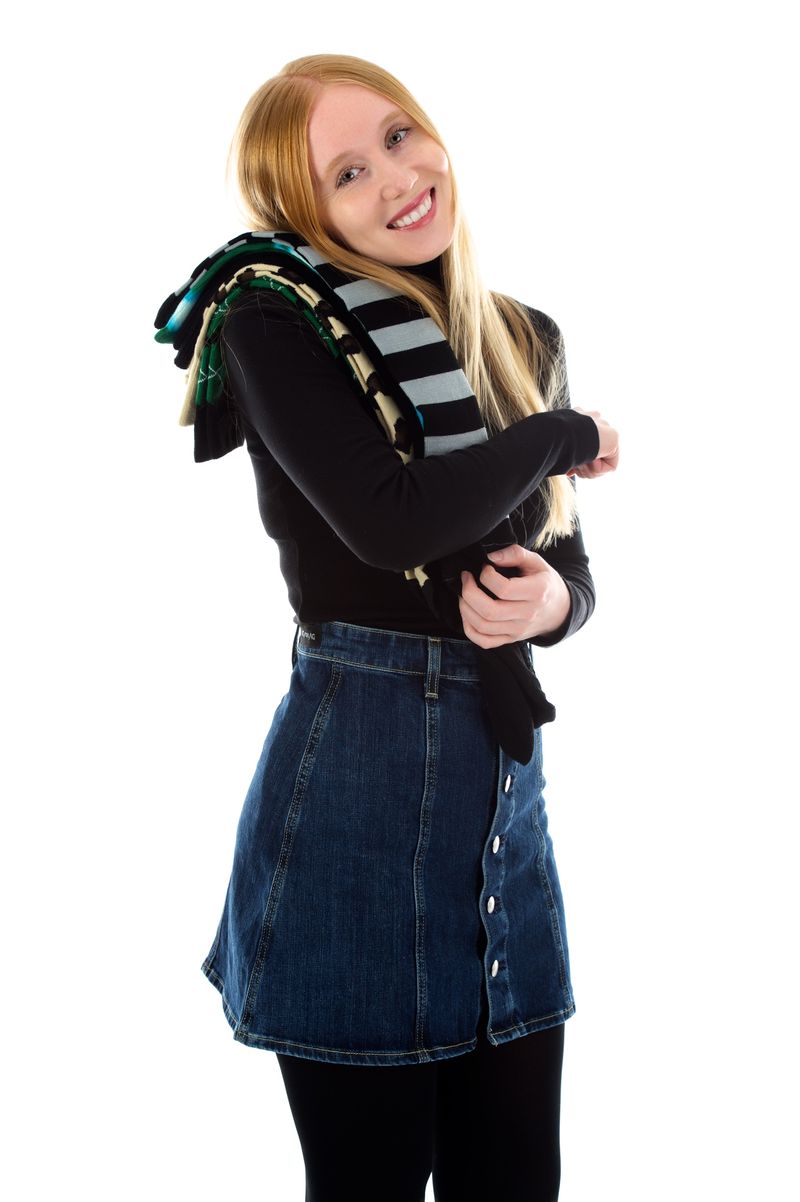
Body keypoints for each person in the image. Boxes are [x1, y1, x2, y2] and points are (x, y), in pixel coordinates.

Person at [155, 53, 618, 1202]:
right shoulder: (278, 324)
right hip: (355, 792)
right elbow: (384, 518)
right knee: (365, 1180)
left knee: (513, 1176)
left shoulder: (523, 332)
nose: (395, 179)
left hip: (503, 816)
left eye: (401, 136)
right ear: (305, 217)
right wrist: (563, 434)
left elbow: (566, 561)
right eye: (345, 174)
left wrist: (550, 605)